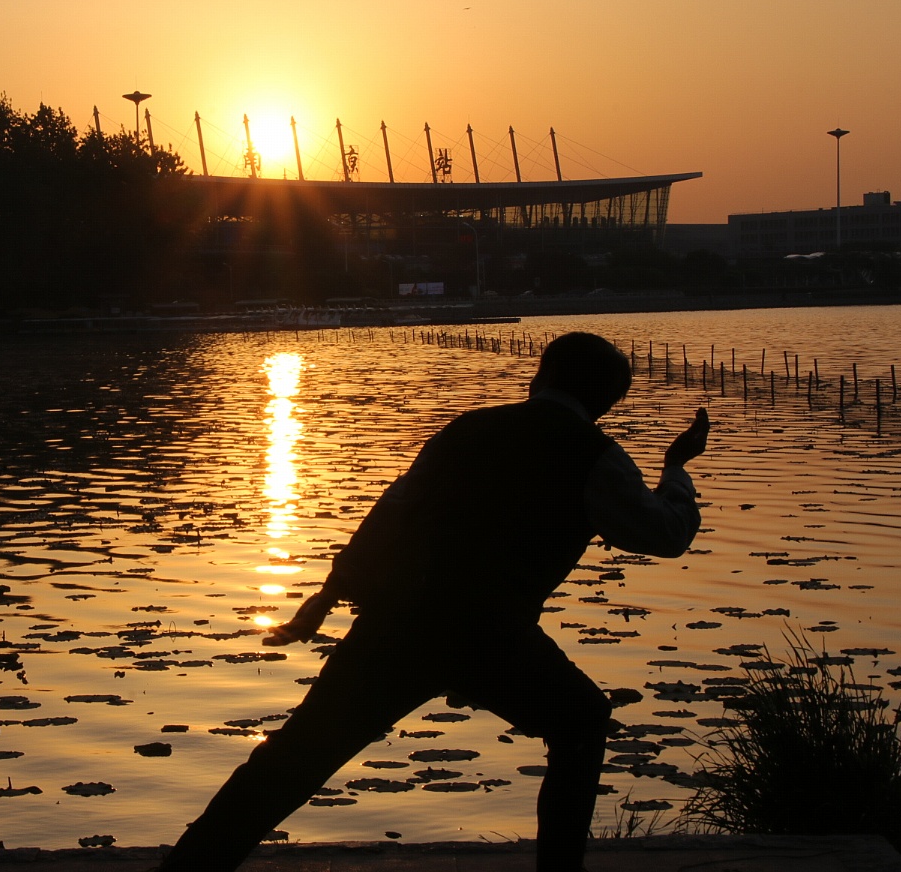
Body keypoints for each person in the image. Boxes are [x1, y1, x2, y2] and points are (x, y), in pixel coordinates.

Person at [156, 332, 709, 872]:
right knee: (581, 723)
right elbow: (665, 534)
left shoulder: (465, 430)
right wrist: (676, 470)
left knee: (295, 757)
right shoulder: (596, 456)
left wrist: (327, 595)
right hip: (492, 635)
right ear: (609, 400)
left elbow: (391, 511)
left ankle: (190, 867)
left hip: (398, 622)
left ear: (541, 375)